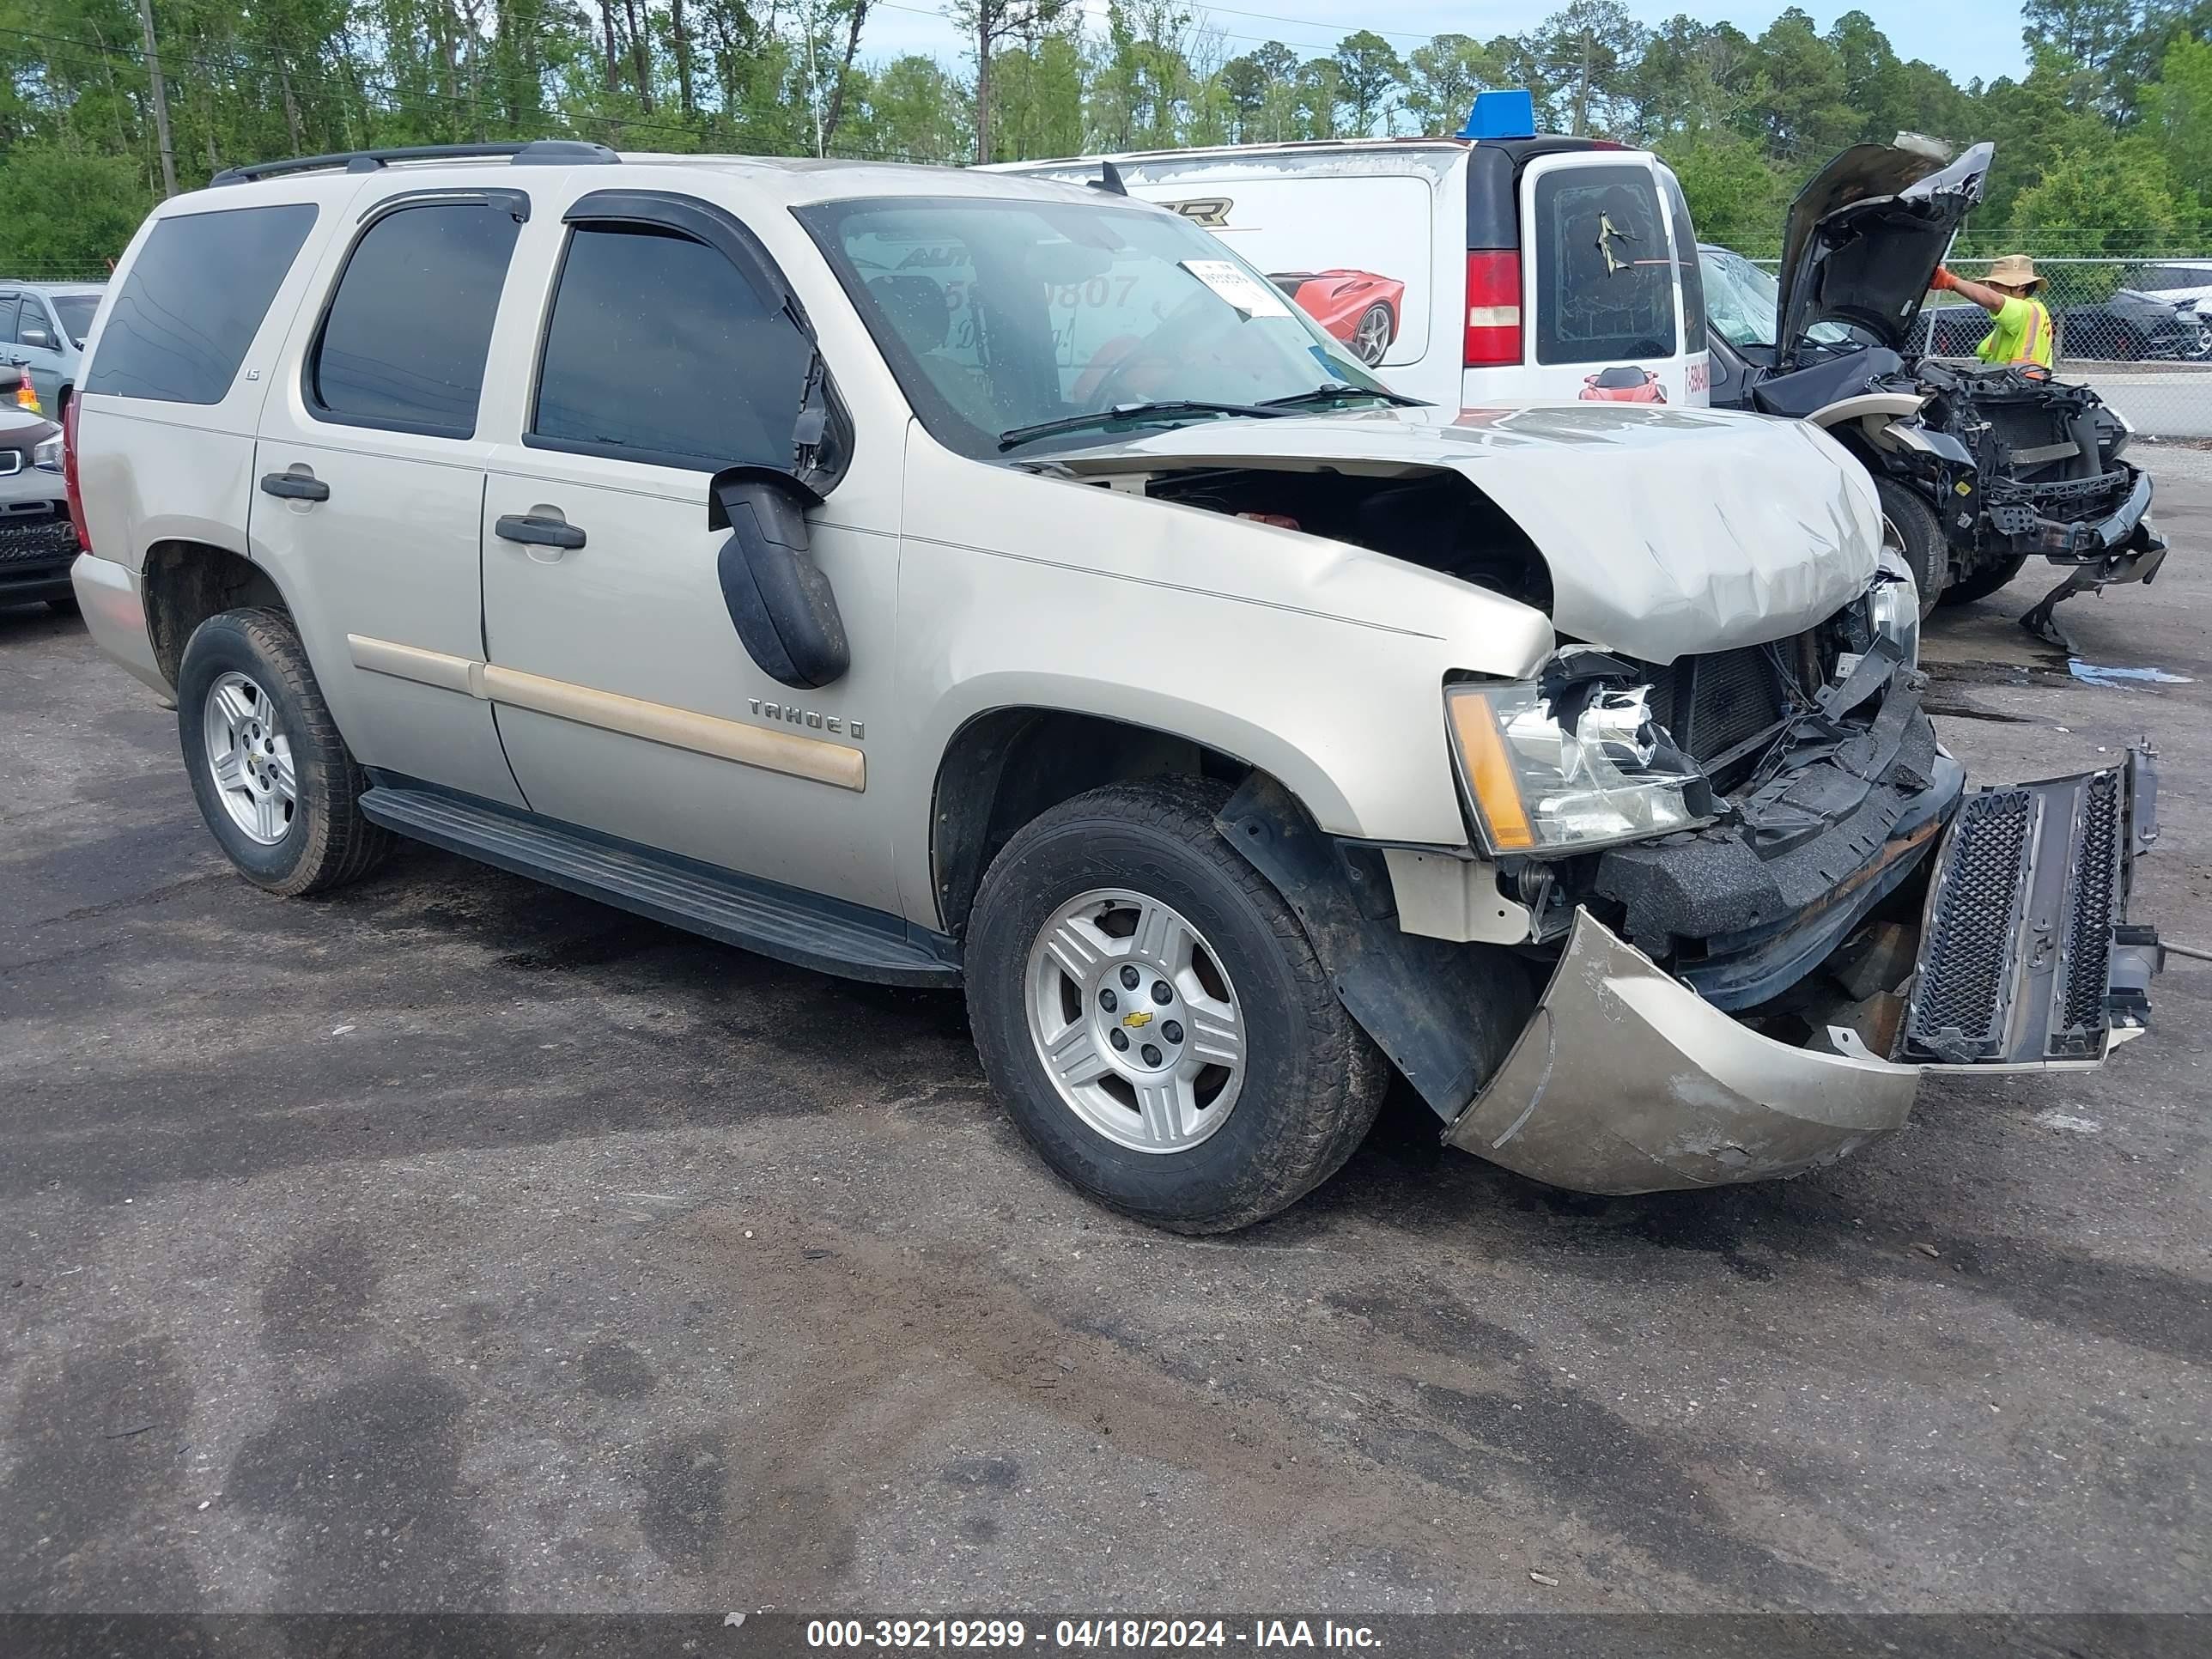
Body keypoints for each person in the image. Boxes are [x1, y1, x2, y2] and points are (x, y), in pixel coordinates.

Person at [1930, 254, 2054, 369]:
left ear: (2021, 286)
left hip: (2018, 385)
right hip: (2020, 384)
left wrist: (1950, 281)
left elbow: (1995, 302)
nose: (1991, 287)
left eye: (1997, 283)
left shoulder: (2025, 311)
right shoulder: (2033, 312)